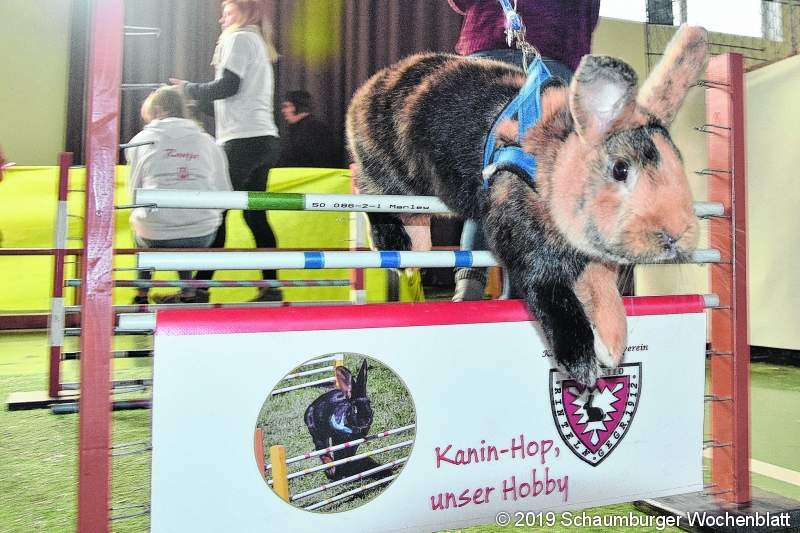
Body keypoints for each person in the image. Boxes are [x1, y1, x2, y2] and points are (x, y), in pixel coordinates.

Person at [447, 0, 601, 301]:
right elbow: (588, 14)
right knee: (535, 186)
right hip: (553, 53)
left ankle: (470, 279)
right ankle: (521, 293)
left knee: (484, 176)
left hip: (486, 52)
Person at [170, 0, 282, 302]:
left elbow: (227, 87)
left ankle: (198, 289)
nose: (222, 20)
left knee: (218, 211)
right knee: (255, 217)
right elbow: (232, 97)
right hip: (263, 138)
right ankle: (271, 286)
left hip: (242, 140)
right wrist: (198, 100)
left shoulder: (238, 38)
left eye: (228, 13)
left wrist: (188, 88)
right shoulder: (257, 43)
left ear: (246, 14)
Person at [126, 86, 232, 304]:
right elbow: (224, 191)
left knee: (143, 230)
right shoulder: (207, 140)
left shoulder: (141, 139)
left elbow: (134, 191)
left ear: (156, 110)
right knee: (187, 230)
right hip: (201, 233)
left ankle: (141, 295)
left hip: (155, 232)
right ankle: (188, 292)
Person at [277, 90, 339, 168]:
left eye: (287, 106)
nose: (283, 111)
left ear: (298, 106)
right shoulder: (296, 128)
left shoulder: (316, 129)